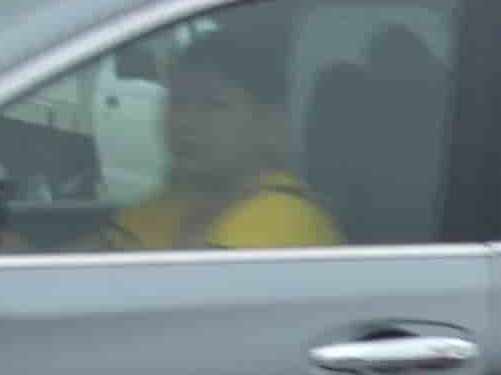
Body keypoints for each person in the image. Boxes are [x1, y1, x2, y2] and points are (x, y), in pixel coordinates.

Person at [108, 58, 341, 251]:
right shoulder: (178, 200)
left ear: (269, 122)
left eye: (213, 105)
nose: (186, 122)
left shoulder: (287, 218)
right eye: (179, 102)